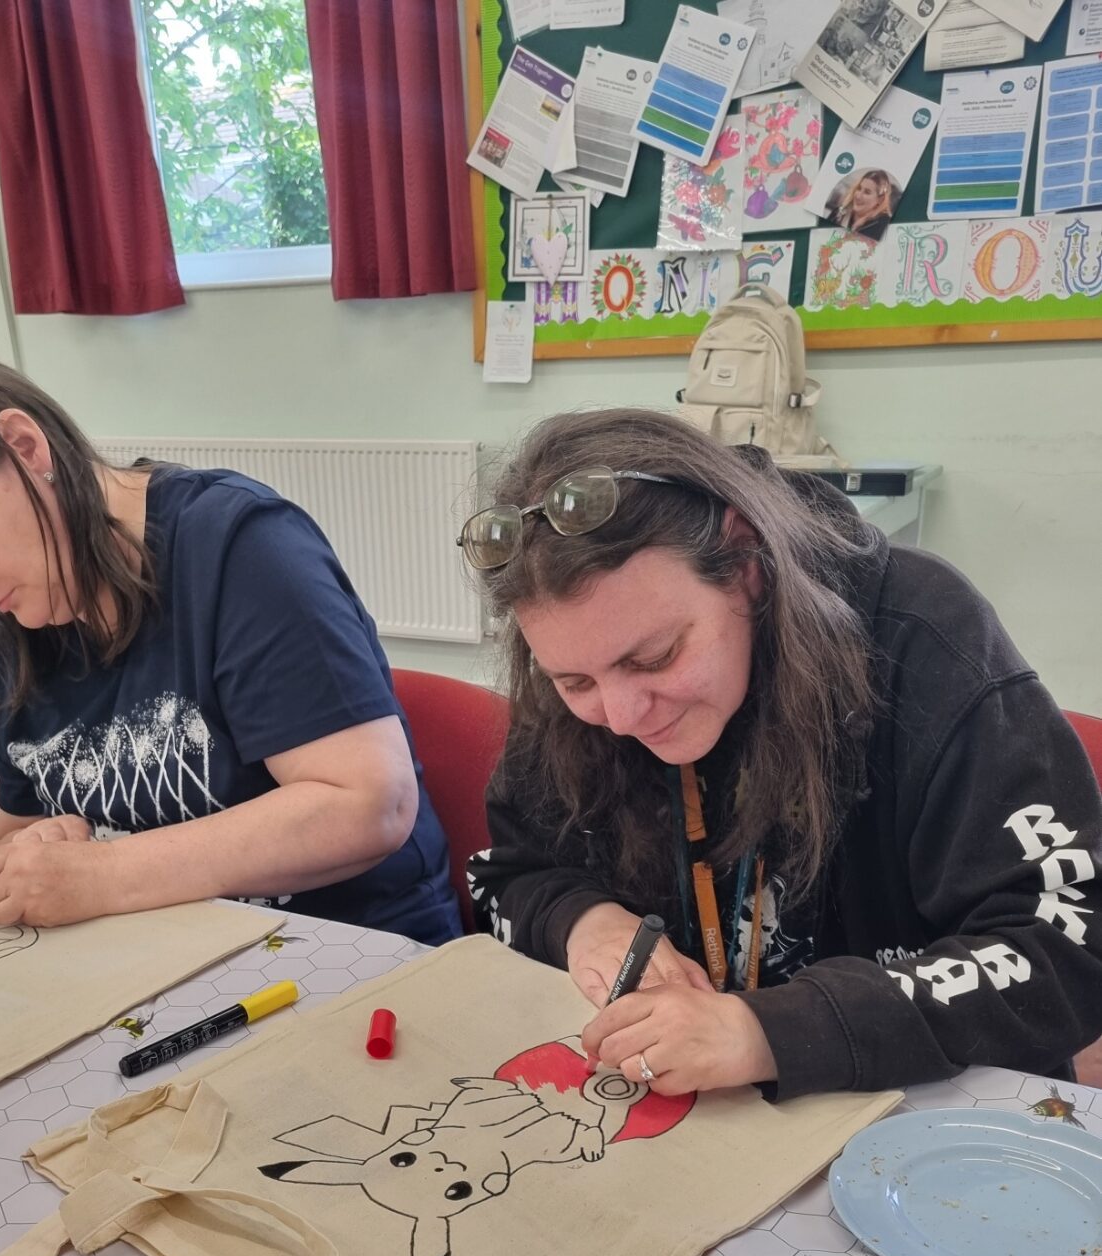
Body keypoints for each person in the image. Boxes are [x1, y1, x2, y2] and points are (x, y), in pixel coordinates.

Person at [463, 408, 1102, 1100]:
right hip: (697, 1121)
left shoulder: (926, 642)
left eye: (654, 657)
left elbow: (1070, 949)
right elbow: (509, 874)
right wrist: (583, 922)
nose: (620, 716)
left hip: (926, 1119)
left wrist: (768, 1031)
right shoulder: (581, 677)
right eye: (575, 682)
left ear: (747, 566)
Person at [0, 343, 460, 944]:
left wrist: (102, 872)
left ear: (24, 447)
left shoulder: (240, 550)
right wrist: (46, 847)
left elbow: (369, 804)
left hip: (351, 954)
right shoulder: (23, 616)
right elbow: (20, 826)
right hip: (160, 965)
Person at [829, 168, 897, 242]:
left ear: (880, 200)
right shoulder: (838, 213)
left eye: (867, 192)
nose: (858, 196)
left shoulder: (883, 225)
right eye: (859, 188)